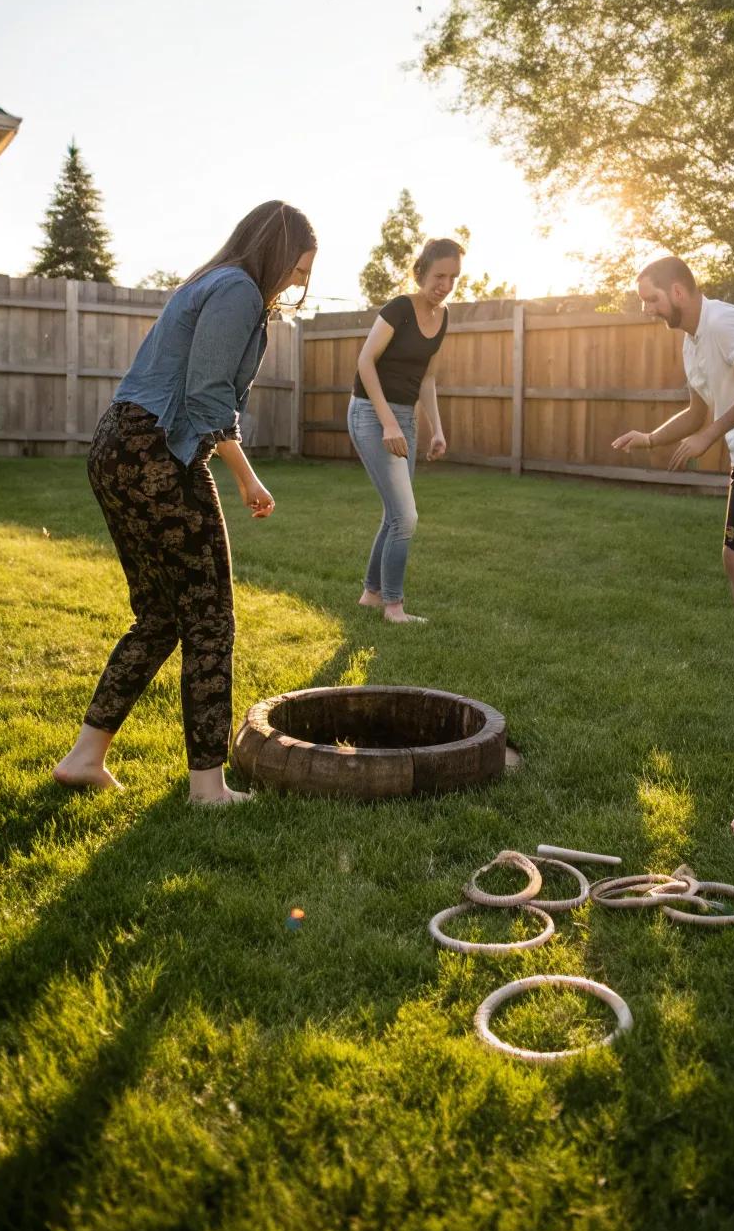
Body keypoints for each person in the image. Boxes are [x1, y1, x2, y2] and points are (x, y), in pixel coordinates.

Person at [53, 200, 317, 802]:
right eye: (298, 269)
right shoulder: (238, 291)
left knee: (162, 616)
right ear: (274, 254)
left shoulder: (210, 282)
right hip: (155, 456)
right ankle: (208, 788)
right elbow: (206, 395)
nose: (298, 282)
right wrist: (248, 478)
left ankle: (84, 757)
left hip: (117, 448)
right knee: (210, 619)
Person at [612, 255, 734, 684]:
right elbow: (695, 412)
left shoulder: (724, 321)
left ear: (678, 291)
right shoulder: (692, 343)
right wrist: (648, 437)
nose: (648, 310)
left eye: (652, 300)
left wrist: (713, 434)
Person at [348, 237, 460, 623]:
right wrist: (388, 422)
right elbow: (365, 362)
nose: (445, 285)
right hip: (369, 412)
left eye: (453, 278)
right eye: (438, 276)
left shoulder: (443, 317)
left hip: (405, 419)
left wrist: (437, 429)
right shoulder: (399, 308)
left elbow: (427, 379)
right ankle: (394, 607)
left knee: (395, 514)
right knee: (405, 517)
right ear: (421, 272)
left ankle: (371, 595)